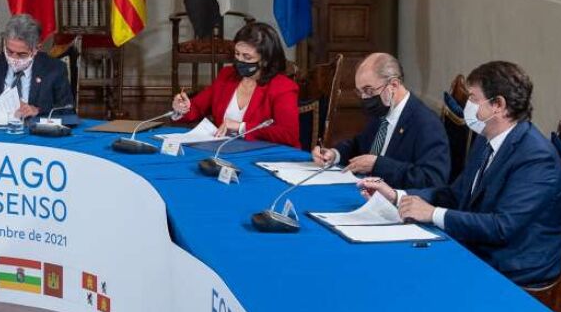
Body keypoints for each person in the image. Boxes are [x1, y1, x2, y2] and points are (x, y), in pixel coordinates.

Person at [359, 61, 561, 287]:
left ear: (498, 104)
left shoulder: (536, 157)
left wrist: (432, 214)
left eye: (474, 98)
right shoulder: (486, 139)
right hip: (478, 247)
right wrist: (397, 196)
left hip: (513, 268)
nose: (468, 106)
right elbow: (455, 195)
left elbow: (502, 228)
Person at [312, 53, 448, 187]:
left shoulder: (427, 123)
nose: (364, 98)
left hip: (394, 197)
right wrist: (334, 154)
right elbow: (359, 145)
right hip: (364, 189)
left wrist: (377, 165)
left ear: (393, 85)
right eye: (360, 92)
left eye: (369, 91)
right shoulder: (382, 112)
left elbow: (433, 179)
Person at [170, 21, 299, 148]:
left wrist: (242, 127)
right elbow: (197, 107)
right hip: (224, 150)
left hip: (266, 155)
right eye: (237, 54)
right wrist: (182, 108)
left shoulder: (283, 87)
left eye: (247, 57)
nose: (239, 61)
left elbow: (289, 134)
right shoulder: (227, 75)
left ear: (265, 60)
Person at [0, 14, 72, 119]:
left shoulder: (55, 70)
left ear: (36, 49)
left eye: (22, 54)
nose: (14, 58)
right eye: (9, 51)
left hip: (34, 129)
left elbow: (68, 113)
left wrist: (38, 111)